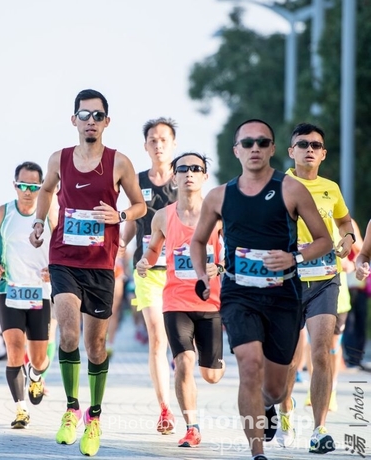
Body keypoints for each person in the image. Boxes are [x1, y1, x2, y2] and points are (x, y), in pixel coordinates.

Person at [190, 119, 333, 460]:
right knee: (250, 365)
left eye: (262, 142)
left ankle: (269, 405)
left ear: (272, 149)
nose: (255, 148)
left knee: (276, 388)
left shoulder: (291, 189)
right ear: (236, 150)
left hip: (283, 296)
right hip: (239, 294)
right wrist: (203, 276)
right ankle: (257, 453)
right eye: (247, 142)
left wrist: (294, 257)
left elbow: (324, 240)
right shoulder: (219, 196)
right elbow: (198, 241)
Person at [29, 89, 146, 457]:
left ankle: (94, 417)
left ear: (107, 122)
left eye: (97, 116)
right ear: (74, 120)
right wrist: (39, 223)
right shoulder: (59, 158)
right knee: (68, 334)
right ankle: (71, 410)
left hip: (100, 264)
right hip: (63, 257)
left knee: (95, 346)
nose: (90, 121)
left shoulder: (119, 162)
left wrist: (120, 215)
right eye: (84, 115)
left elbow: (140, 205)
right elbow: (46, 191)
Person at [275, 123, 355, 453]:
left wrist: (348, 238)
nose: (309, 149)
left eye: (316, 145)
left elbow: (344, 221)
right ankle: (285, 409)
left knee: (321, 350)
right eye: (302, 144)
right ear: (291, 151)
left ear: (323, 154)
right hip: (289, 282)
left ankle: (319, 429)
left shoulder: (331, 188)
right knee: (289, 359)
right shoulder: (278, 186)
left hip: (325, 278)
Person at [136, 152, 225, 448]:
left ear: (204, 176)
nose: (189, 173)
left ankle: (217, 364)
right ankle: (192, 427)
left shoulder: (219, 215)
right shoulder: (163, 216)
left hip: (210, 303)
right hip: (175, 302)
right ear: (174, 177)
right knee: (184, 362)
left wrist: (218, 267)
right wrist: (145, 261)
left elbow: (233, 251)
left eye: (195, 168)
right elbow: (153, 249)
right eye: (183, 169)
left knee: (211, 375)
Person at [0, 161, 57, 429]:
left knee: (39, 359)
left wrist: (54, 269)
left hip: (40, 293)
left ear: (42, 187)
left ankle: (36, 375)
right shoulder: (1, 213)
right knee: (14, 350)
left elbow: (62, 244)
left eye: (34, 187)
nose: (28, 191)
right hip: (10, 291)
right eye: (23, 186)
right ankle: (21, 410)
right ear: (14, 185)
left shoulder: (50, 214)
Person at [120, 117, 178, 434]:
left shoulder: (186, 178)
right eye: (153, 140)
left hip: (181, 272)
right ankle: (165, 409)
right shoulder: (138, 180)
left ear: (173, 144)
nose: (158, 145)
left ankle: (182, 374)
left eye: (163, 139)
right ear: (145, 146)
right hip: (147, 270)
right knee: (157, 337)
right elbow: (132, 221)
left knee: (182, 342)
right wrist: (120, 245)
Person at [343, 219, 371, 371]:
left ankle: (356, 358)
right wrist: (360, 266)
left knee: (359, 321)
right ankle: (352, 359)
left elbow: (359, 249)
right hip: (346, 283)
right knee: (350, 323)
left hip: (358, 284)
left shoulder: (350, 223)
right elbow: (364, 254)